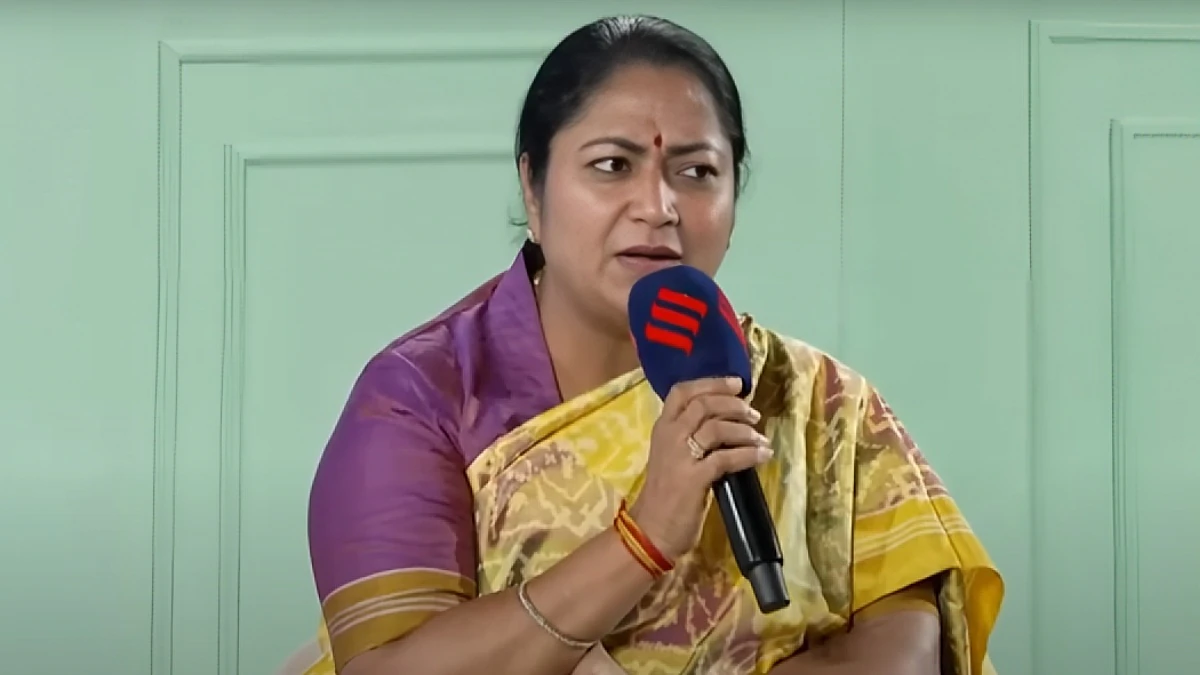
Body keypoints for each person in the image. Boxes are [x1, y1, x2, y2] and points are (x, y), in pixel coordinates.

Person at [284, 14, 1004, 675]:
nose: (658, 208)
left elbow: (907, 651)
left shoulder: (820, 400)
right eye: (612, 165)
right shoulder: (420, 398)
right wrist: (644, 536)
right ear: (533, 188)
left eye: (697, 172)